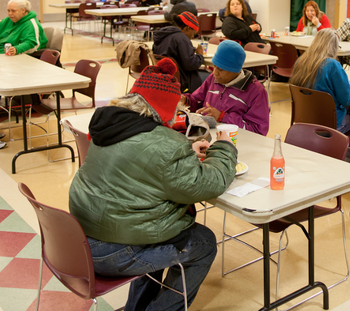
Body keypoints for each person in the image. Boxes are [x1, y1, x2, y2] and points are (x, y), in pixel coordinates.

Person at [69, 58, 237, 311]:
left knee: (157, 228)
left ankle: (137, 307)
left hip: (80, 240)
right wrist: (224, 147)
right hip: (117, 251)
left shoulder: (108, 125)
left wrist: (185, 152)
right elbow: (209, 184)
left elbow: (137, 163)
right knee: (203, 242)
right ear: (165, 107)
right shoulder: (166, 144)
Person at [290, 29, 350, 162]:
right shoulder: (332, 65)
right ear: (333, 47)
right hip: (330, 123)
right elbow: (347, 98)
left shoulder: (301, 62)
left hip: (304, 118)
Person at [182, 40, 270, 136]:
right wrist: (186, 100)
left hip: (235, 142)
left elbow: (257, 131)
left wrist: (222, 116)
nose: (215, 73)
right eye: (214, 66)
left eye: (221, 69)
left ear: (235, 70)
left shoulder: (256, 92)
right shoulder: (213, 79)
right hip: (208, 136)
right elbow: (197, 100)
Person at [153, 11, 206, 93]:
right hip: (181, 82)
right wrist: (199, 55)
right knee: (208, 77)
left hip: (163, 79)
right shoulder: (181, 38)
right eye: (193, 33)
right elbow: (190, 64)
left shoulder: (164, 35)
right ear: (187, 28)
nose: (192, 37)